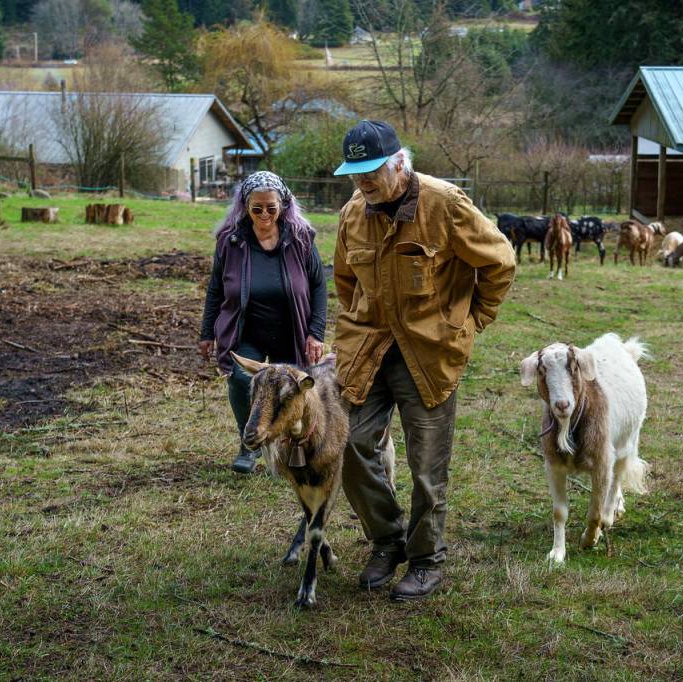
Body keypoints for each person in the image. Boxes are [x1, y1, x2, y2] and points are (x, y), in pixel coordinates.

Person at [332, 120, 516, 600]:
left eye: (371, 171)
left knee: (426, 467)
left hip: (430, 354)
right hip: (368, 350)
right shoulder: (353, 213)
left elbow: (500, 262)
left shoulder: (445, 204)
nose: (363, 183)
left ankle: (427, 559)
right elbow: (346, 281)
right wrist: (358, 320)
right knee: (348, 444)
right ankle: (387, 540)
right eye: (355, 174)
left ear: (398, 163)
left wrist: (473, 320)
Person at [200, 171, 327, 474]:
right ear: (245, 206)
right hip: (247, 330)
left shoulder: (301, 239)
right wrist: (207, 332)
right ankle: (251, 443)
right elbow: (216, 288)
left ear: (284, 204)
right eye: (256, 208)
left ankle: (293, 446)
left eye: (271, 207)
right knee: (243, 380)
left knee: (293, 389)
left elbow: (319, 286)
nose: (264, 214)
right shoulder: (230, 242)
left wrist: (315, 333)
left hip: (292, 327)